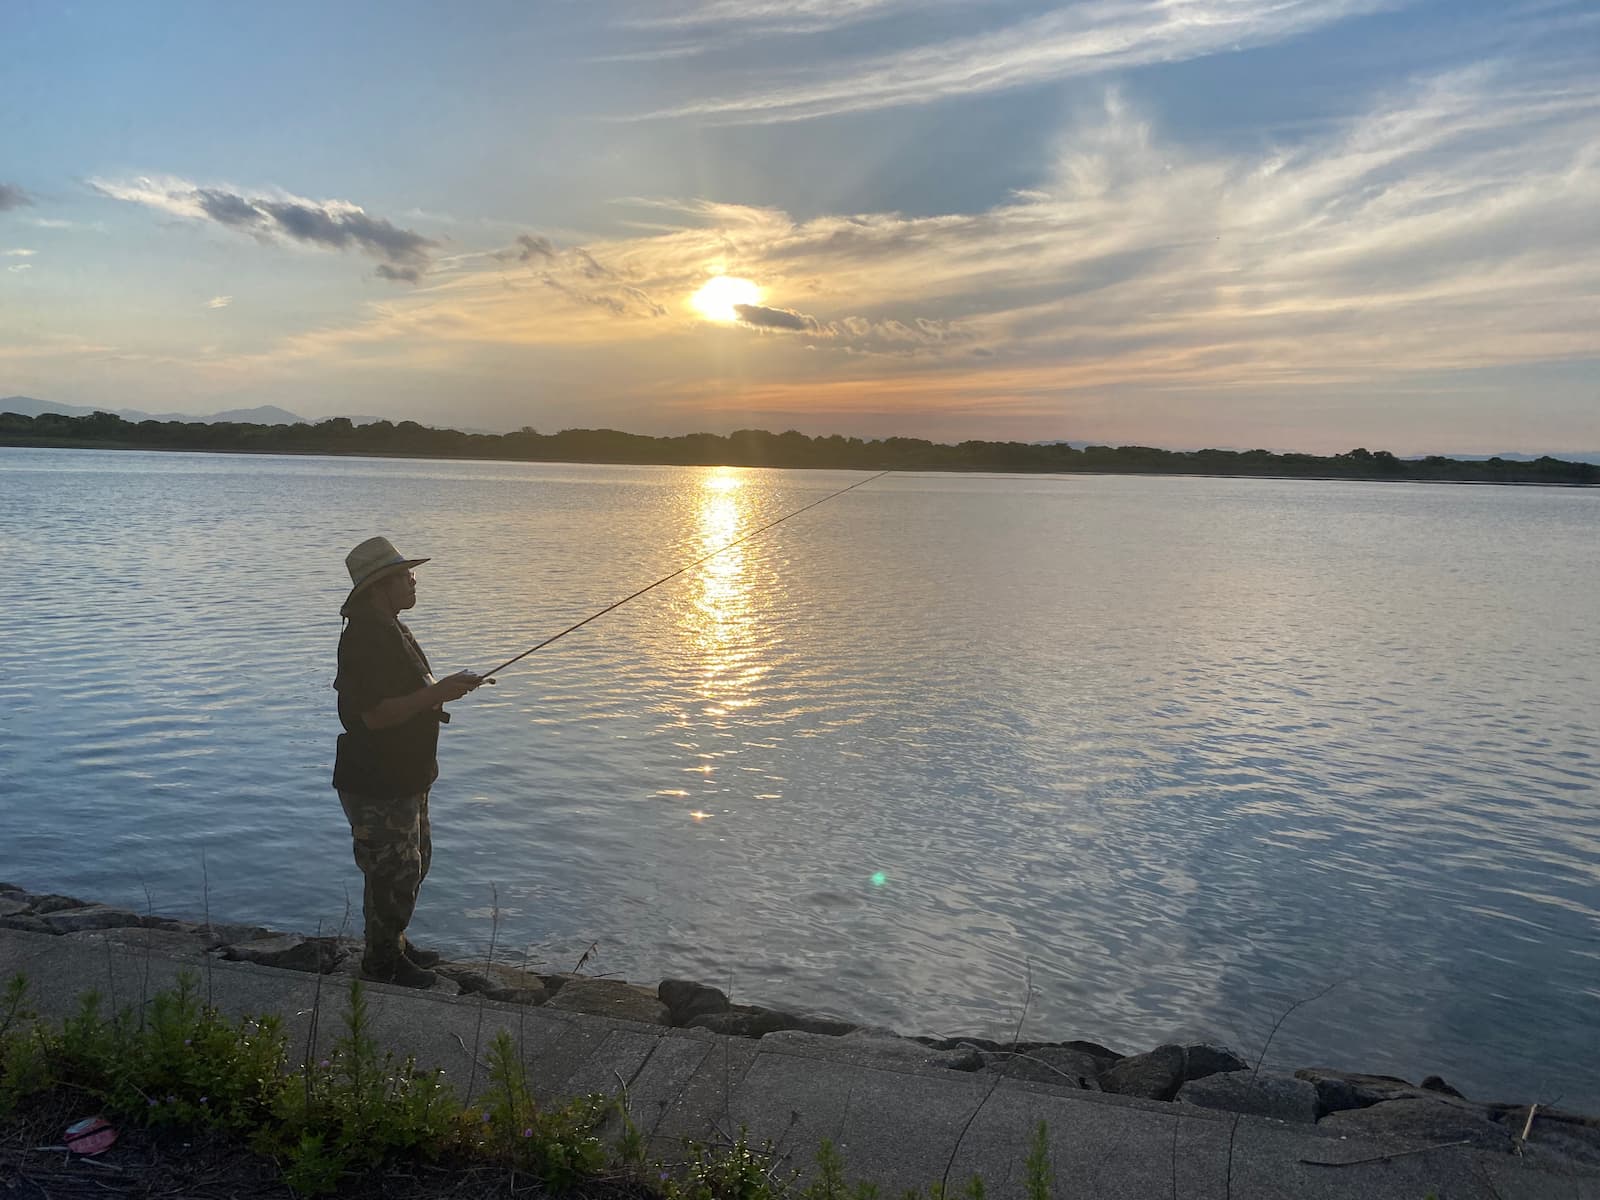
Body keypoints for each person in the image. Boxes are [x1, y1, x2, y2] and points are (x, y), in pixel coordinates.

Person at [333, 536, 483, 987]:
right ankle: (381, 964)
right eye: (406, 575)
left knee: (413, 863)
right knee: (391, 871)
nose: (414, 581)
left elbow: (408, 698)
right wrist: (439, 692)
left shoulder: (389, 626)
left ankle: (392, 941)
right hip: (378, 780)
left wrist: (440, 693)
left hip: (406, 774)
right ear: (381, 585)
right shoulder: (365, 637)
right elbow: (375, 716)